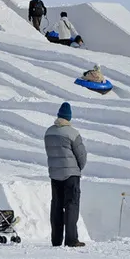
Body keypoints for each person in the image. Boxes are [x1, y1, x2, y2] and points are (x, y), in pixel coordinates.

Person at [44, 102, 87, 248]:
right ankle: (71, 239)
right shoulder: (73, 133)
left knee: (56, 206)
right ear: (69, 117)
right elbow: (81, 155)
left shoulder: (48, 132)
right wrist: (78, 168)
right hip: (71, 175)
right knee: (71, 205)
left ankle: (56, 240)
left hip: (54, 174)